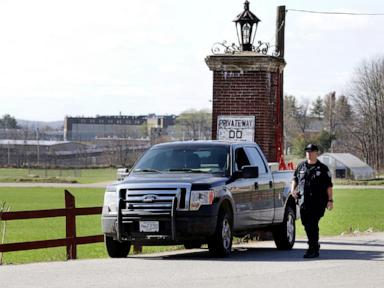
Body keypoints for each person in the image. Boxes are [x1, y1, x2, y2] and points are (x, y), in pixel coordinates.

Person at [291, 144, 334, 258]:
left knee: (312, 224)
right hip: (303, 201)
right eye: (307, 152)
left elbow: (329, 186)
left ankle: (312, 248)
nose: (309, 154)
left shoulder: (323, 168)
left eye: (311, 151)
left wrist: (330, 200)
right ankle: (315, 244)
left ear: (316, 153)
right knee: (306, 224)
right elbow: (295, 179)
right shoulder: (301, 166)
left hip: (318, 202)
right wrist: (292, 191)